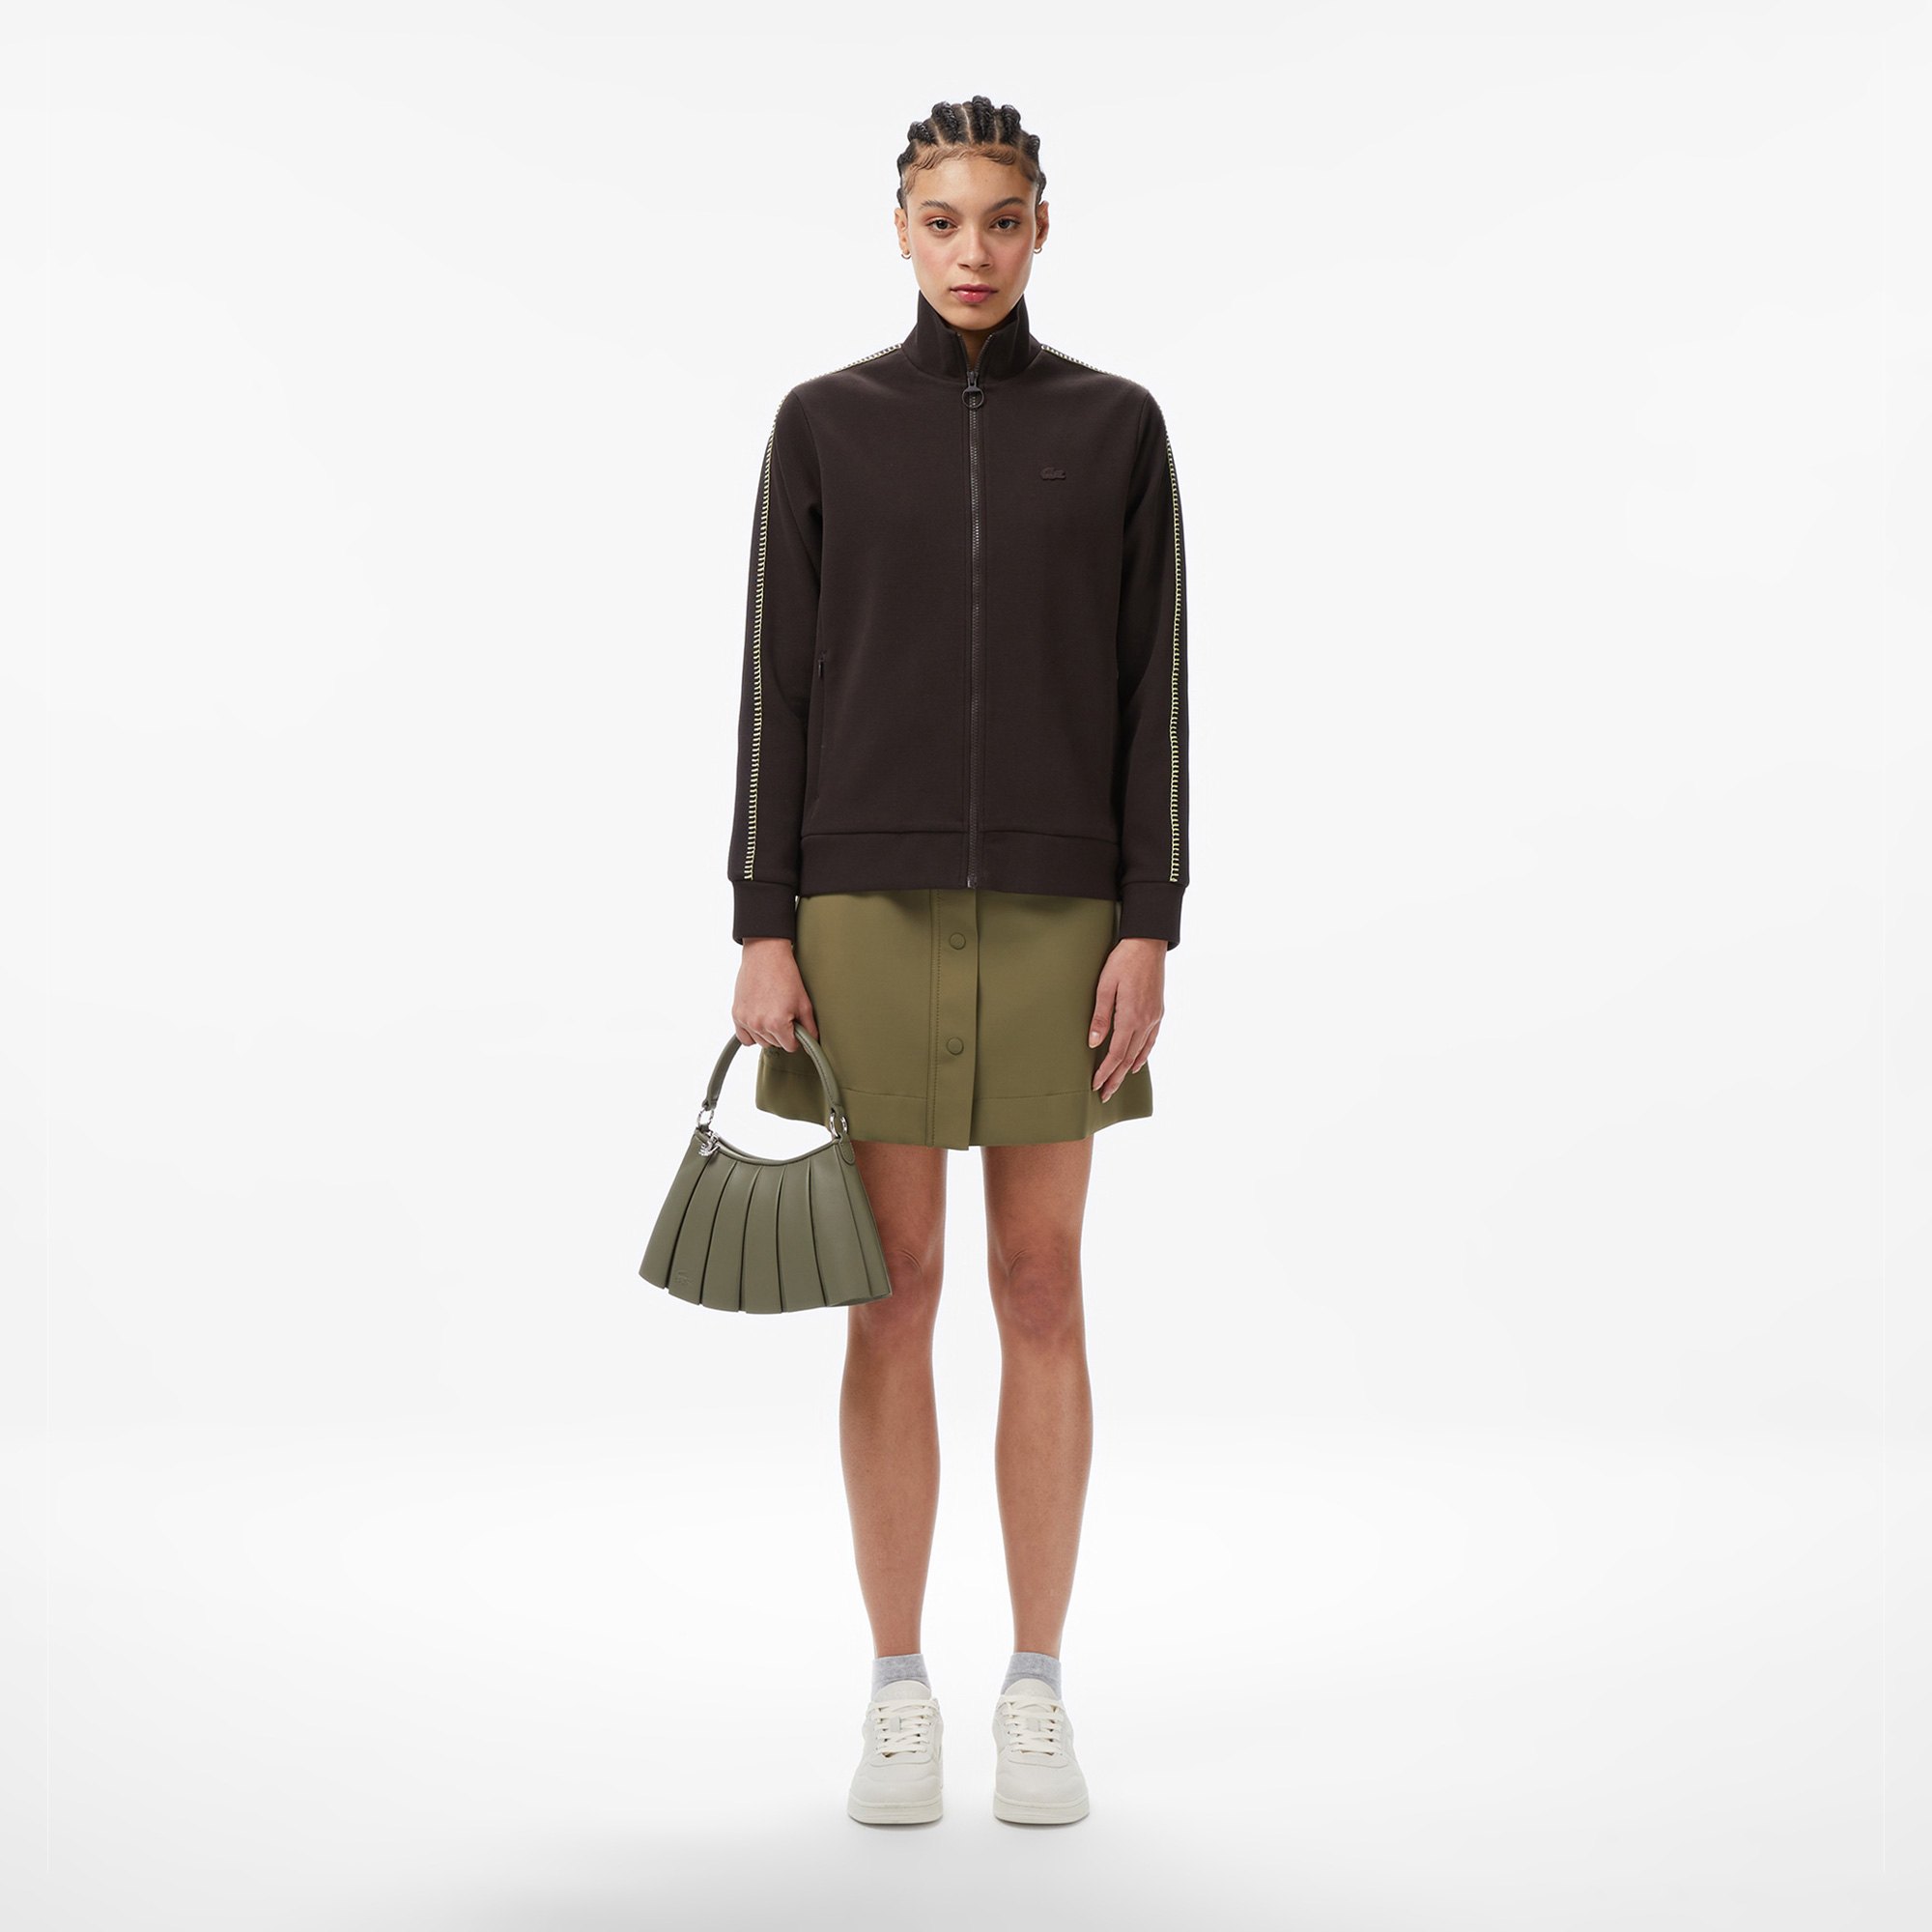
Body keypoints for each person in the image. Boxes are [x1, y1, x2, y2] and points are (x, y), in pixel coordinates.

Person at [724, 95, 1189, 1827]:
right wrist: (763, 919)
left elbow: (1154, 686)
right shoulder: (825, 425)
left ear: (1042, 227)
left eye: (1001, 220)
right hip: (863, 908)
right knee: (894, 1291)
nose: (972, 253)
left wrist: (1150, 918)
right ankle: (896, 1692)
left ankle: (1039, 1692)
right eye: (943, 221)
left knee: (1042, 1287)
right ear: (901, 229)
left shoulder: (1117, 425)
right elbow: (775, 685)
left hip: (1066, 914)